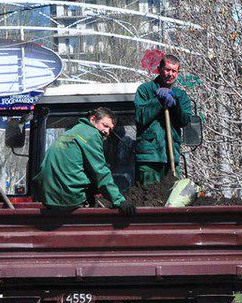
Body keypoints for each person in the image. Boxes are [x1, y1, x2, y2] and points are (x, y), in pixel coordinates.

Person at [37, 106, 135, 215]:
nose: (107, 131)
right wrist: (119, 200)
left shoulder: (74, 131)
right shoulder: (92, 134)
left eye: (110, 129)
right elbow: (100, 171)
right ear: (93, 119)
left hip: (47, 196)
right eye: (105, 125)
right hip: (68, 198)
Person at [134, 54, 194, 186]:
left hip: (172, 156)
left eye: (174, 71)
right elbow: (140, 117)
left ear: (178, 73)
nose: (170, 74)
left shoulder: (181, 96)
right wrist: (158, 101)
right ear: (159, 69)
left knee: (172, 198)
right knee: (149, 197)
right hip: (149, 157)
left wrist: (176, 105)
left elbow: (185, 121)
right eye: (167, 69)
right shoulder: (145, 90)